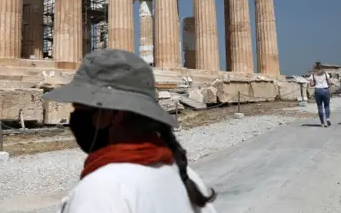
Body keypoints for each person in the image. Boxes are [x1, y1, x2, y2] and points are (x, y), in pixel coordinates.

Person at [43, 49, 217, 213]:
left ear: (111, 114)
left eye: (80, 109)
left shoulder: (103, 190)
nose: (75, 117)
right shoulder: (188, 178)